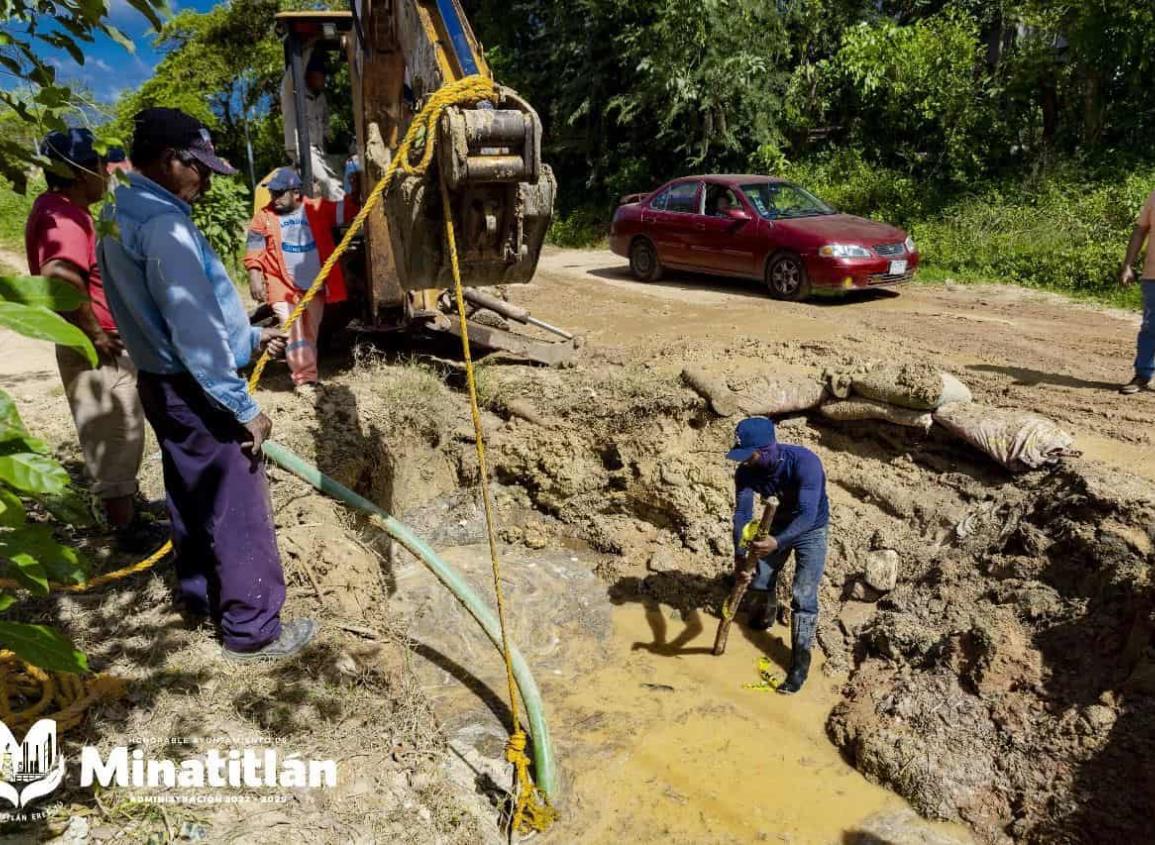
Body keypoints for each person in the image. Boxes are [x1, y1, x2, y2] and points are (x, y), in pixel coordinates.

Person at [98, 107, 315, 662]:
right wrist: (240, 405)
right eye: (201, 167)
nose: (208, 179)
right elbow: (191, 329)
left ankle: (199, 597)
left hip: (161, 383)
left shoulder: (120, 213)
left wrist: (244, 338)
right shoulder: (166, 227)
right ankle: (252, 632)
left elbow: (169, 313)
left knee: (191, 491)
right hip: (195, 388)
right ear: (171, 162)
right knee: (237, 504)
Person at [24, 128, 163, 552]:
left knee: (122, 428)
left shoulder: (66, 210)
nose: (107, 173)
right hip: (95, 344)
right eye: (101, 166)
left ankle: (126, 507)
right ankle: (125, 529)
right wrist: (96, 334)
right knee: (113, 430)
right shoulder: (63, 216)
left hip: (97, 339)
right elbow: (61, 278)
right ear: (79, 171)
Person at [728, 416, 830, 694]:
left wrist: (778, 541)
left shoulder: (805, 463)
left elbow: (808, 514)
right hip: (774, 527)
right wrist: (740, 557)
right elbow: (742, 514)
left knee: (803, 596)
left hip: (811, 529)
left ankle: (799, 663)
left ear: (767, 449)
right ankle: (765, 618)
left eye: (750, 455)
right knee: (760, 582)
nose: (745, 461)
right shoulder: (746, 473)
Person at [244, 167, 348, 395]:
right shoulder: (264, 216)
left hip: (315, 285)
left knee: (309, 331)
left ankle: (306, 374)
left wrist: (358, 185)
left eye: (280, 193)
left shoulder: (316, 208)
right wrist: (254, 275)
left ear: (295, 192)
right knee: (292, 329)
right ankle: (305, 380)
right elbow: (254, 247)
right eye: (273, 193)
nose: (275, 198)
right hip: (281, 283)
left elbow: (347, 211)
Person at [281, 53, 343, 201]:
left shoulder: (321, 98)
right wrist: (309, 46)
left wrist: (331, 142)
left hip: (320, 150)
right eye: (320, 76)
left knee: (345, 171)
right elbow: (292, 73)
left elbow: (325, 122)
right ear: (309, 76)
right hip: (301, 148)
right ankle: (342, 217)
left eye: (324, 76)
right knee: (327, 182)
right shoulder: (292, 93)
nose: (323, 80)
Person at [1119, 190, 1155, 394]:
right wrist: (1128, 265)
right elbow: (1140, 230)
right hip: (1153, 276)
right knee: (1151, 328)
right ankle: (1142, 375)